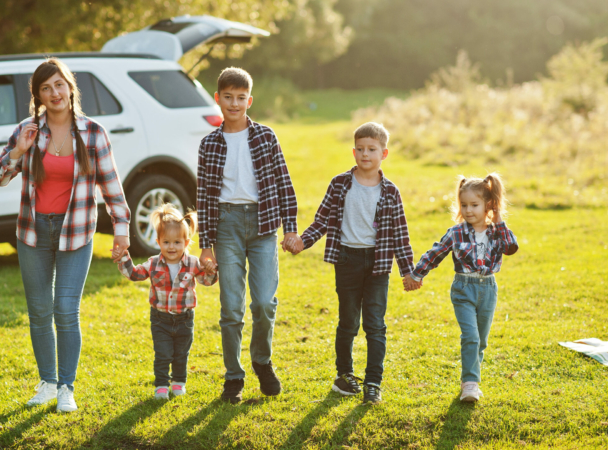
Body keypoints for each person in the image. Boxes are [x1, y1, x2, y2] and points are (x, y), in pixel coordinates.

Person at [0, 57, 130, 412]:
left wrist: (122, 229)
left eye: (59, 85)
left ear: (70, 88)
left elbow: (111, 186)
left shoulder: (94, 132)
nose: (54, 93)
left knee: (66, 309)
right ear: (37, 95)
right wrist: (18, 150)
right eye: (45, 88)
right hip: (33, 233)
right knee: (39, 312)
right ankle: (48, 383)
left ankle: (67, 386)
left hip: (76, 232)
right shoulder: (28, 130)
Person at [293, 122, 417, 404]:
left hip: (378, 264)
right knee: (348, 321)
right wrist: (303, 241)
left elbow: (400, 235)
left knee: (375, 324)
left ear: (383, 154)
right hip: (347, 259)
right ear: (353, 151)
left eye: (371, 149)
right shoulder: (339, 184)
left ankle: (373, 381)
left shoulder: (390, 192)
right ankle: (344, 375)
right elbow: (322, 220)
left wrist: (408, 272)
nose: (365, 154)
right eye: (360, 149)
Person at [196, 67, 299, 403]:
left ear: (249, 100)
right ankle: (234, 376)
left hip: (263, 225)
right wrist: (206, 245)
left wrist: (291, 228)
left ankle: (262, 360)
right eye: (228, 97)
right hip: (225, 225)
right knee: (230, 308)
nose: (234, 103)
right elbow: (204, 197)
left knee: (265, 303)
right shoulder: (209, 144)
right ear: (218, 99)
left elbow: (284, 183)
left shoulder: (266, 137)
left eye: (241, 98)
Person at [405, 173, 518, 402]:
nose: (468, 210)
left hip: (487, 289)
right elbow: (435, 253)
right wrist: (416, 275)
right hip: (463, 288)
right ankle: (470, 384)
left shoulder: (497, 231)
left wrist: (498, 219)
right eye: (464, 205)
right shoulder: (456, 232)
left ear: (489, 205)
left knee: (481, 340)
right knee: (471, 337)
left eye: (474, 205)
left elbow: (511, 247)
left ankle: (472, 379)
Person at [115, 204, 217, 399]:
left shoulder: (194, 263)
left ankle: (178, 382)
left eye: (177, 242)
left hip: (185, 320)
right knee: (162, 354)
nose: (172, 247)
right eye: (167, 242)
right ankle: (161, 385)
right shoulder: (153, 263)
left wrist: (212, 270)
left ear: (186, 242)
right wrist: (123, 258)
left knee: (180, 354)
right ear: (158, 242)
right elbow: (135, 274)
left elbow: (207, 281)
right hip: (160, 319)